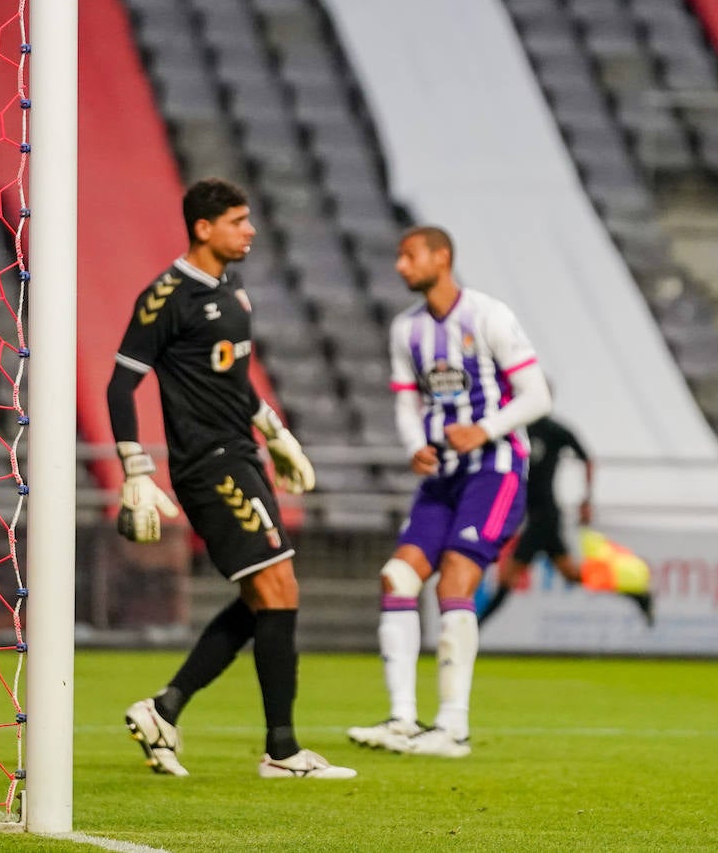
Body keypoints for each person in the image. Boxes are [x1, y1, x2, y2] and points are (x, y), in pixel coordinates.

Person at [107, 177, 355, 780]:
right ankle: (284, 751)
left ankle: (164, 709)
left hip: (242, 453)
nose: (250, 231)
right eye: (239, 221)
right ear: (204, 227)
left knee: (262, 595)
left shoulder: (231, 288)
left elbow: (234, 382)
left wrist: (276, 433)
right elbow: (121, 383)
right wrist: (136, 469)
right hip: (206, 464)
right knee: (279, 589)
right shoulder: (167, 296)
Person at [347, 225, 552, 759]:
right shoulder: (406, 330)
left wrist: (484, 430)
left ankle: (453, 729)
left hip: (497, 468)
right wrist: (416, 445)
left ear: (442, 257)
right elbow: (406, 404)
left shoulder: (488, 315)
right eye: (398, 256)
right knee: (397, 576)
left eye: (409, 255)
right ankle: (401, 719)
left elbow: (537, 396)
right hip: (442, 475)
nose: (400, 266)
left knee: (456, 579)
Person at [477, 415, 654, 626]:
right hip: (536, 515)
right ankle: (639, 596)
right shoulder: (518, 429)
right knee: (573, 575)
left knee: (507, 578)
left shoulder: (553, 430)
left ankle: (475, 629)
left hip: (544, 516)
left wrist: (586, 500)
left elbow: (587, 459)